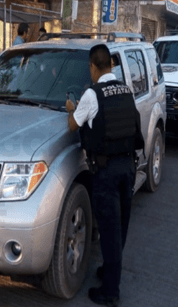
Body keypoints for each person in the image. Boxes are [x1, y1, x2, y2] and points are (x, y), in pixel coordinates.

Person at [66, 44, 144, 306]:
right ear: (111, 64)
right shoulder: (125, 90)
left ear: (92, 66)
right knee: (120, 226)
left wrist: (70, 108)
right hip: (128, 168)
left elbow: (73, 125)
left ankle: (111, 292)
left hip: (106, 171)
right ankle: (110, 271)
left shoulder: (92, 94)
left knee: (109, 229)